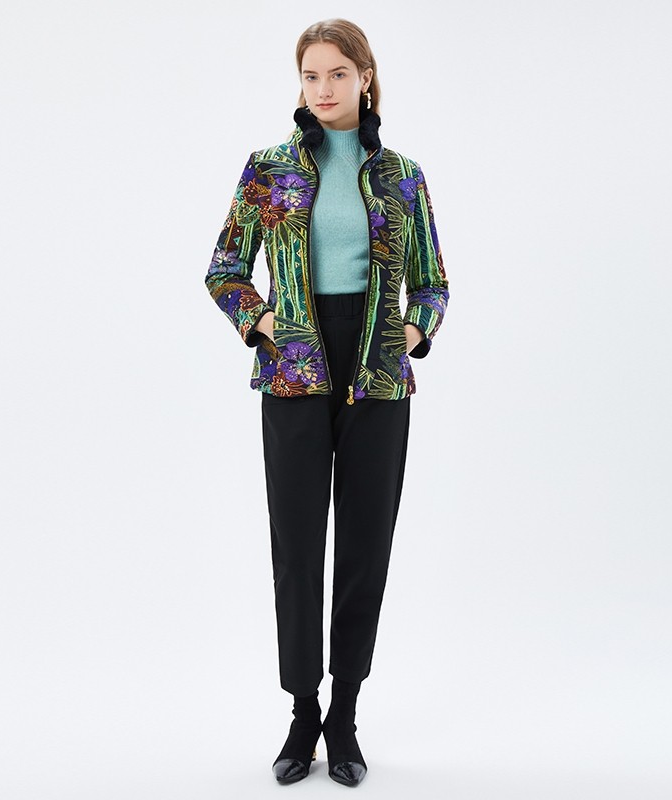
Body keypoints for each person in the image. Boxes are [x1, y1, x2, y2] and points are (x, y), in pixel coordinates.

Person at [204, 17, 449, 787]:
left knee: (366, 546)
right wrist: (262, 323)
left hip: (377, 369)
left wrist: (414, 331)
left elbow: (433, 281)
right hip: (295, 368)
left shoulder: (401, 175)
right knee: (297, 545)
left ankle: (345, 714)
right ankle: (302, 709)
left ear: (364, 78)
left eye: (338, 73)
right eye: (311, 75)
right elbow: (224, 268)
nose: (324, 88)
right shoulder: (269, 169)